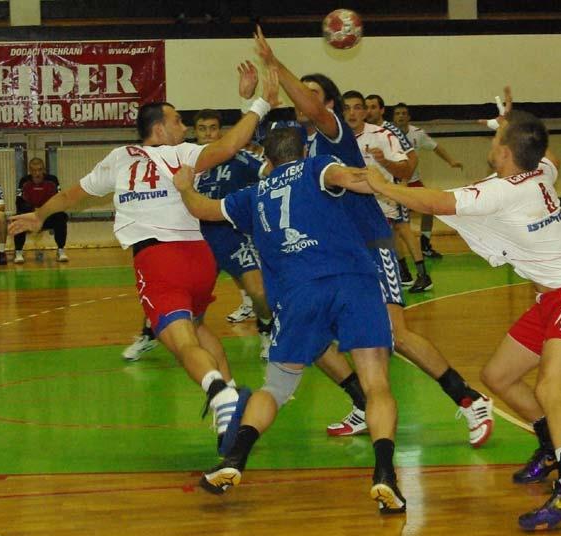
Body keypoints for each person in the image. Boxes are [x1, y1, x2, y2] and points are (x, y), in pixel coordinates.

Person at [365, 101, 561, 531]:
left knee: (551, 386)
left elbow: (436, 201)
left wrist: (381, 185)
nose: (491, 143)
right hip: (551, 301)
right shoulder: (540, 171)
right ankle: (550, 445)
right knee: (498, 376)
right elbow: (551, 156)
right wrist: (507, 121)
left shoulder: (503, 191)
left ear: (505, 152)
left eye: (496, 138)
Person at [9, 67, 280, 454]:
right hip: (199, 258)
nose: (183, 126)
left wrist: (39, 215)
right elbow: (228, 146)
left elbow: (71, 195)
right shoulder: (181, 154)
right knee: (198, 326)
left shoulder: (121, 158)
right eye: (177, 120)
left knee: (182, 345)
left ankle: (220, 394)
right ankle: (233, 397)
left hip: (159, 260)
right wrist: (260, 104)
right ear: (158, 129)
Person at [253, 26, 493, 450]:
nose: (301, 99)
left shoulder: (334, 134)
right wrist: (258, 102)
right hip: (326, 258)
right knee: (311, 335)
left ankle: (469, 398)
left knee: (394, 334)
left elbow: (310, 105)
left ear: (327, 104)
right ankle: (363, 402)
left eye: (311, 93)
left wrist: (276, 64)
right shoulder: (295, 146)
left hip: (366, 244)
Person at [174, 127, 407, 514]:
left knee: (276, 387)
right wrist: (383, 183)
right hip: (354, 283)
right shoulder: (317, 166)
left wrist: (185, 187)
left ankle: (234, 459)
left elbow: (203, 209)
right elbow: (348, 177)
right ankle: (385, 474)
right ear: (303, 151)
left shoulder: (253, 194)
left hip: (298, 292)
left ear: (266, 160)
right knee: (377, 383)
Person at [123, 103, 273, 362]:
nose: (208, 133)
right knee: (178, 299)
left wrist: (275, 155)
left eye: (213, 128)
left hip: (231, 236)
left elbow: (269, 172)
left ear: (220, 131)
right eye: (202, 129)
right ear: (194, 131)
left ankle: (267, 330)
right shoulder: (181, 158)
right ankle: (149, 335)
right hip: (194, 239)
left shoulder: (237, 156)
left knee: (259, 291)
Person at [365, 94, 432, 292]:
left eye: (373, 107)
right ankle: (403, 272)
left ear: (381, 110)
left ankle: (423, 274)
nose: (369, 111)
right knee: (393, 230)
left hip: (394, 188)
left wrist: (403, 182)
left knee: (403, 228)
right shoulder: (368, 132)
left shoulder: (391, 130)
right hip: (381, 190)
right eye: (367, 107)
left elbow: (412, 157)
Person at [392, 102, 463, 259]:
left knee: (429, 209)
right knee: (395, 219)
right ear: (393, 118)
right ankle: (393, 252)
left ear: (409, 117)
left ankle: (424, 245)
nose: (401, 116)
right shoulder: (387, 134)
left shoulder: (418, 133)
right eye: (397, 113)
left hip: (413, 181)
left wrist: (451, 161)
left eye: (404, 113)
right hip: (394, 182)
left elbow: (436, 147)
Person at [14, 157, 69, 264]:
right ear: (30, 171)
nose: (37, 173)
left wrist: (44, 210)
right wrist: (33, 210)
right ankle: (18, 252)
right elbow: (19, 202)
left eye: (39, 170)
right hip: (31, 216)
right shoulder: (24, 181)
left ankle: (61, 250)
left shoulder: (52, 180)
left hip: (48, 215)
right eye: (34, 170)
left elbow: (59, 200)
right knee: (18, 218)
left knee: (61, 216)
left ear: (44, 169)